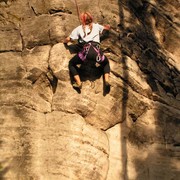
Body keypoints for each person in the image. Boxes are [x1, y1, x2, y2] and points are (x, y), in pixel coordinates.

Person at [64, 12, 111, 90]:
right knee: (106, 63)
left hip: (85, 53)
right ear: (91, 18)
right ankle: (106, 80)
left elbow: (69, 39)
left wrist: (63, 42)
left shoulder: (79, 28)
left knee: (71, 63)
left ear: (83, 20)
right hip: (97, 53)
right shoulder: (96, 26)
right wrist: (107, 27)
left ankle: (78, 83)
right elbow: (106, 28)